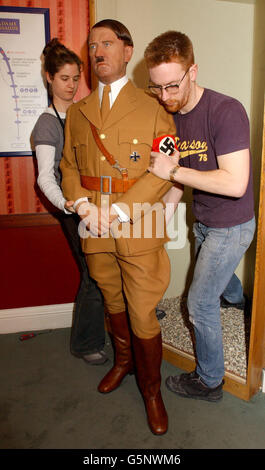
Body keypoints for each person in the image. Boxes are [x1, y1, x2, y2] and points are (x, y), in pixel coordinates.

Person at [60, 19, 177, 435]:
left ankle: (151, 389)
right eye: (92, 45)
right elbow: (69, 167)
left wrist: (123, 211)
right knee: (111, 298)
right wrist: (80, 205)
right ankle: (123, 362)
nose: (97, 52)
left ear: (128, 51)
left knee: (143, 311)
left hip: (138, 223)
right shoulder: (79, 112)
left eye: (107, 43)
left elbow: (165, 171)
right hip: (94, 223)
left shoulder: (154, 108)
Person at [145, 30, 255, 402]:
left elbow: (236, 183)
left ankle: (209, 382)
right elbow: (179, 173)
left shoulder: (227, 111)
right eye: (156, 88)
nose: (165, 97)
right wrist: (165, 211)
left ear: (193, 71)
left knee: (198, 302)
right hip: (204, 219)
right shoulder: (172, 117)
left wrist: (171, 173)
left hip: (233, 223)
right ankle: (238, 299)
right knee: (219, 281)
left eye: (172, 86)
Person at [32, 38, 107, 366]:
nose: (72, 85)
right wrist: (71, 206)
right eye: (64, 78)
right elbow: (45, 178)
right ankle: (84, 343)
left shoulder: (82, 114)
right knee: (92, 274)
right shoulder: (47, 123)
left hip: (96, 202)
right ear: (49, 77)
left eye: (76, 78)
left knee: (107, 269)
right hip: (72, 209)